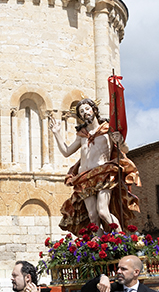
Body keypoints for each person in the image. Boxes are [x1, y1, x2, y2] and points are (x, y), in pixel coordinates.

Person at [51, 98, 140, 233]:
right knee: (93, 216)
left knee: (103, 211)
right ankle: (98, 245)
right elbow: (66, 152)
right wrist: (57, 133)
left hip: (103, 174)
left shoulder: (107, 129)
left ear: (94, 109)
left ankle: (121, 240)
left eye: (87, 109)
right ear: (80, 116)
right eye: (81, 111)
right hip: (84, 178)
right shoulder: (82, 135)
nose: (85, 112)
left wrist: (120, 140)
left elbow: (125, 149)